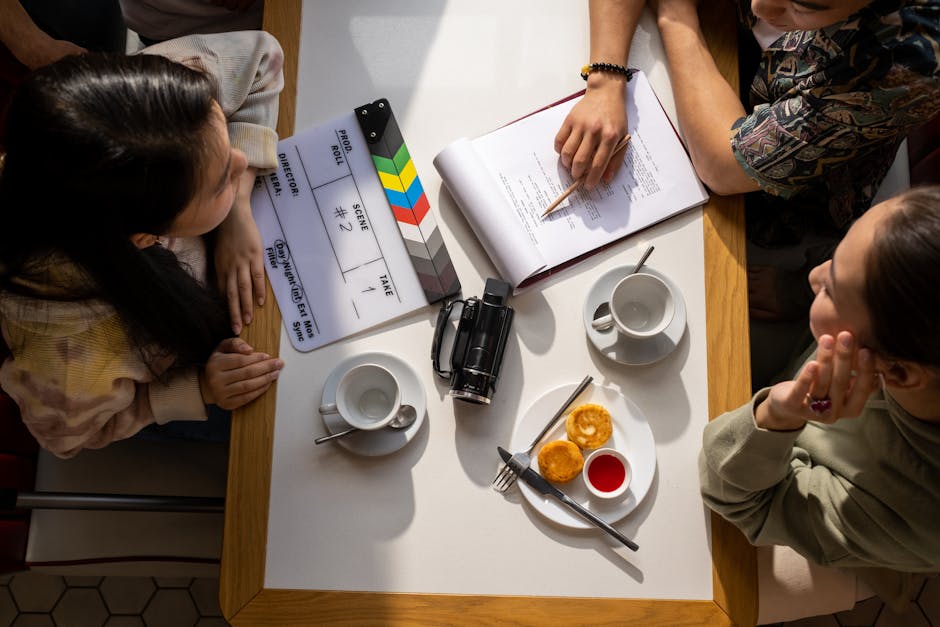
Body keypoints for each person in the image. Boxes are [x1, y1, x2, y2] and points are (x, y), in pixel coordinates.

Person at [0, 31, 285, 458]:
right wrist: (200, 388)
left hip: (190, 297)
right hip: (179, 375)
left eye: (226, 139)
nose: (242, 161)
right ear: (148, 237)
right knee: (284, 417)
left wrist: (237, 208)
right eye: (220, 179)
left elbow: (261, 55)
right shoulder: (67, 356)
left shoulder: (156, 98)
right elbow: (69, 436)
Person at [699, 185, 940, 609]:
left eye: (830, 289)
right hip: (792, 353)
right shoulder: (911, 328)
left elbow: (738, 499)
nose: (814, 277)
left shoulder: (917, 513)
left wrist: (777, 416)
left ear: (897, 372)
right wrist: (794, 292)